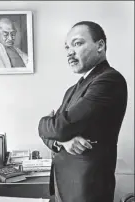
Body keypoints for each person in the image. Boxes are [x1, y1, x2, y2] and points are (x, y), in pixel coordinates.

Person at [38, 21, 127, 202]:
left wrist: (43, 122)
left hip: (87, 190)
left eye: (77, 43)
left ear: (100, 46)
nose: (70, 52)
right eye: (67, 47)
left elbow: (59, 128)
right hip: (63, 186)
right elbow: (57, 133)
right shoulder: (72, 90)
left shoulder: (109, 80)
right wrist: (62, 143)